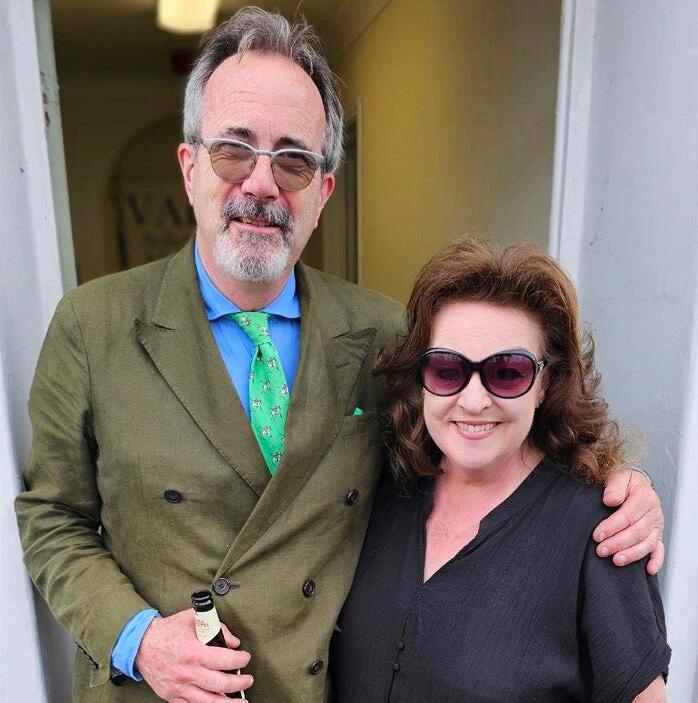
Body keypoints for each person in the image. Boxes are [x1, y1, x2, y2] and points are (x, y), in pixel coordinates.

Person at [15, 8, 663, 703]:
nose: (261, 184)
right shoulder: (93, 325)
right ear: (190, 165)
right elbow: (52, 518)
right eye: (234, 149)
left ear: (322, 191)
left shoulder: (384, 334)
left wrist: (610, 489)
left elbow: (473, 435)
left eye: (293, 160)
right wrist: (138, 638)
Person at [330, 238, 670, 702]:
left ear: (545, 382)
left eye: (507, 372)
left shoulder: (602, 533)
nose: (474, 401)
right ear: (421, 377)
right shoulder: (382, 488)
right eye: (447, 370)